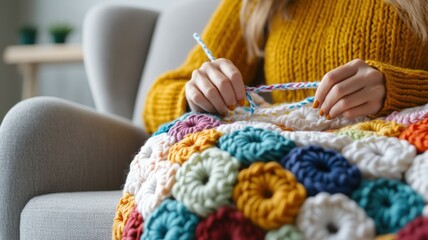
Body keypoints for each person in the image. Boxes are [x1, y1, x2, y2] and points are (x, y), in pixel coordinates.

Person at [143, 0, 428, 133]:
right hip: (282, 169)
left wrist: (400, 88)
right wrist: (196, 95)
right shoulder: (259, 4)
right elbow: (157, 98)